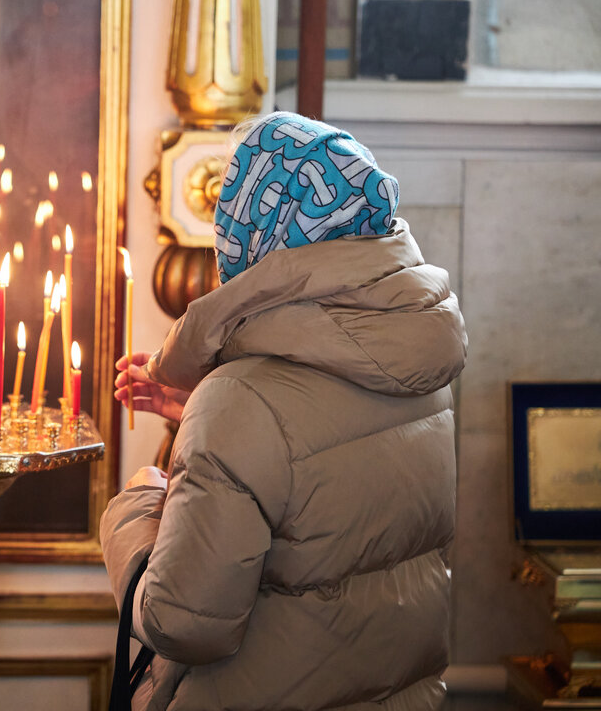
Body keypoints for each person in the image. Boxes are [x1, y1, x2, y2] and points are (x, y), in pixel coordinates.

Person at [106, 111, 467, 710]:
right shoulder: (415, 366)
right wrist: (205, 415)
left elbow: (185, 624)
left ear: (250, 225)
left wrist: (137, 508)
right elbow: (330, 492)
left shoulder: (242, 402)